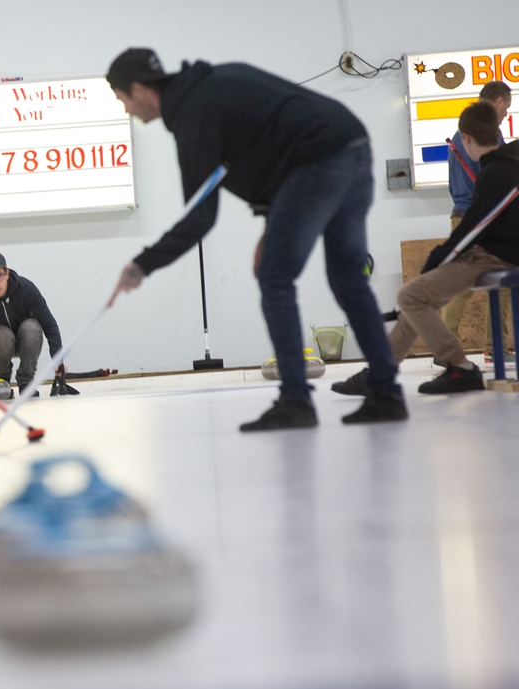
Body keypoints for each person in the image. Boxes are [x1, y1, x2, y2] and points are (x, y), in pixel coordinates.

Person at [106, 48, 406, 431]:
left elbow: (201, 216)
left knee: (275, 278)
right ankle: (386, 392)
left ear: (138, 90)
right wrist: (269, 224)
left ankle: (296, 400)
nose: (126, 110)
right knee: (348, 278)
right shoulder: (217, 82)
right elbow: (270, 144)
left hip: (316, 163)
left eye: (122, 100)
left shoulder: (193, 114)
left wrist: (142, 265)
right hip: (352, 145)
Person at [332, 102, 519, 396]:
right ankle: (381, 371)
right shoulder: (510, 167)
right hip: (498, 253)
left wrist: (435, 260)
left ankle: (460, 367)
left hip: (497, 258)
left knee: (410, 296)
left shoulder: (499, 173)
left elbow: (472, 227)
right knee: (416, 301)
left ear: (465, 138)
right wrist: (436, 264)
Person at [439, 80, 514, 364]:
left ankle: (444, 348)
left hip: (461, 215)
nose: (506, 112)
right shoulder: (489, 132)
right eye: (506, 106)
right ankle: (496, 348)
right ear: (497, 102)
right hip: (483, 217)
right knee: (502, 283)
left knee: (462, 283)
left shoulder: (462, 132)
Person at [0, 252, 64, 390]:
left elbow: (50, 325)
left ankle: (26, 382)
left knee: (32, 327)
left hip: (27, 339)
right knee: (2, 334)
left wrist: (58, 360)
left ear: (7, 274)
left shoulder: (26, 289)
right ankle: (3, 380)